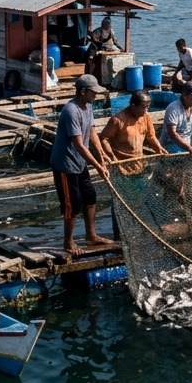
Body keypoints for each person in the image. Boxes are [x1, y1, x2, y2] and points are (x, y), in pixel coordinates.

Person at [51, 74, 115, 256]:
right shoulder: (71, 110)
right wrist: (97, 165)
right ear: (83, 91)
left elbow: (92, 130)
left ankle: (91, 235)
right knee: (73, 203)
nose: (95, 95)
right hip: (66, 164)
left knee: (90, 196)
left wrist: (100, 151)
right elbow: (79, 144)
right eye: (93, 92)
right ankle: (68, 243)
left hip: (79, 163)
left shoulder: (88, 106)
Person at [99, 91, 163, 176]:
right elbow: (104, 138)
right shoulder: (117, 120)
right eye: (144, 107)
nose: (146, 110)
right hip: (120, 165)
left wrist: (159, 149)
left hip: (139, 163)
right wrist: (112, 157)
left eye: (148, 107)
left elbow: (151, 136)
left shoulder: (146, 117)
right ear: (133, 106)